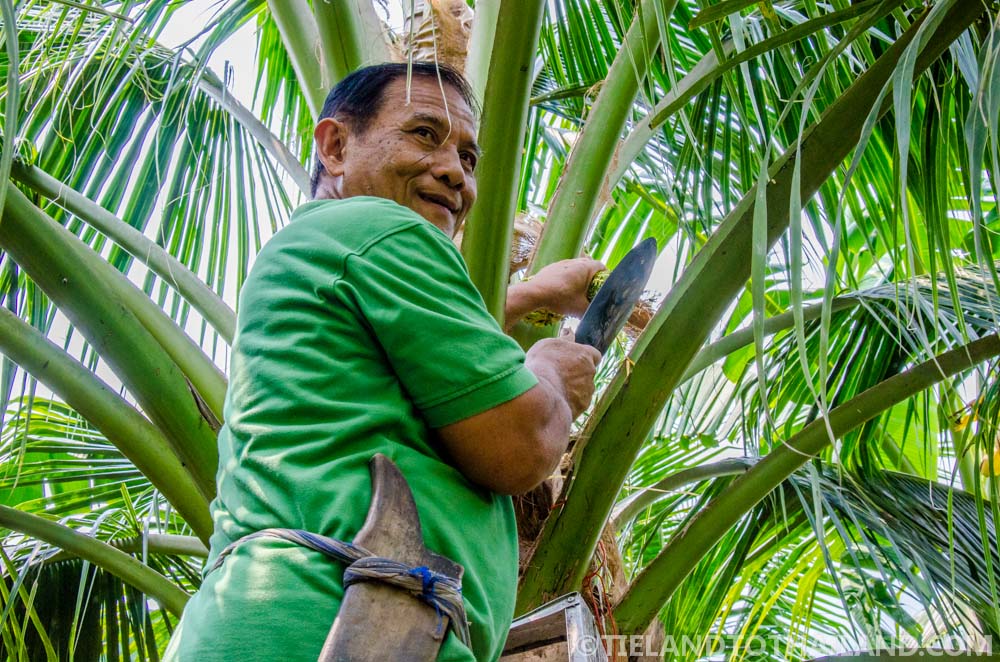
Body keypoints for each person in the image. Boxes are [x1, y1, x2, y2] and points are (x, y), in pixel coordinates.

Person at [164, 62, 603, 661]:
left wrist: (530, 295)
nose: (455, 173)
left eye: (469, 158)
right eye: (425, 134)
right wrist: (553, 371)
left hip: (280, 620)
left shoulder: (321, 245)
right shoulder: (383, 228)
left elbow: (402, 350)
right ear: (337, 145)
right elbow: (521, 444)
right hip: (342, 620)